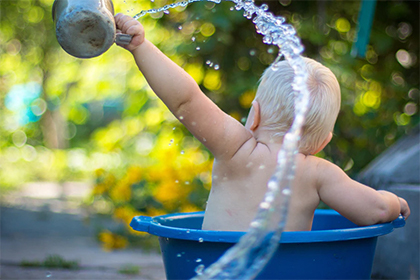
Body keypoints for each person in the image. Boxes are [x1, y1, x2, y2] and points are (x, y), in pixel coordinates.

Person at [114, 13, 410, 232]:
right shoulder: (319, 174)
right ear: (323, 142)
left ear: (253, 115)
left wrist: (141, 46)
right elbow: (376, 210)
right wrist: (395, 202)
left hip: (217, 268)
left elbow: (186, 100)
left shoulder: (236, 149)